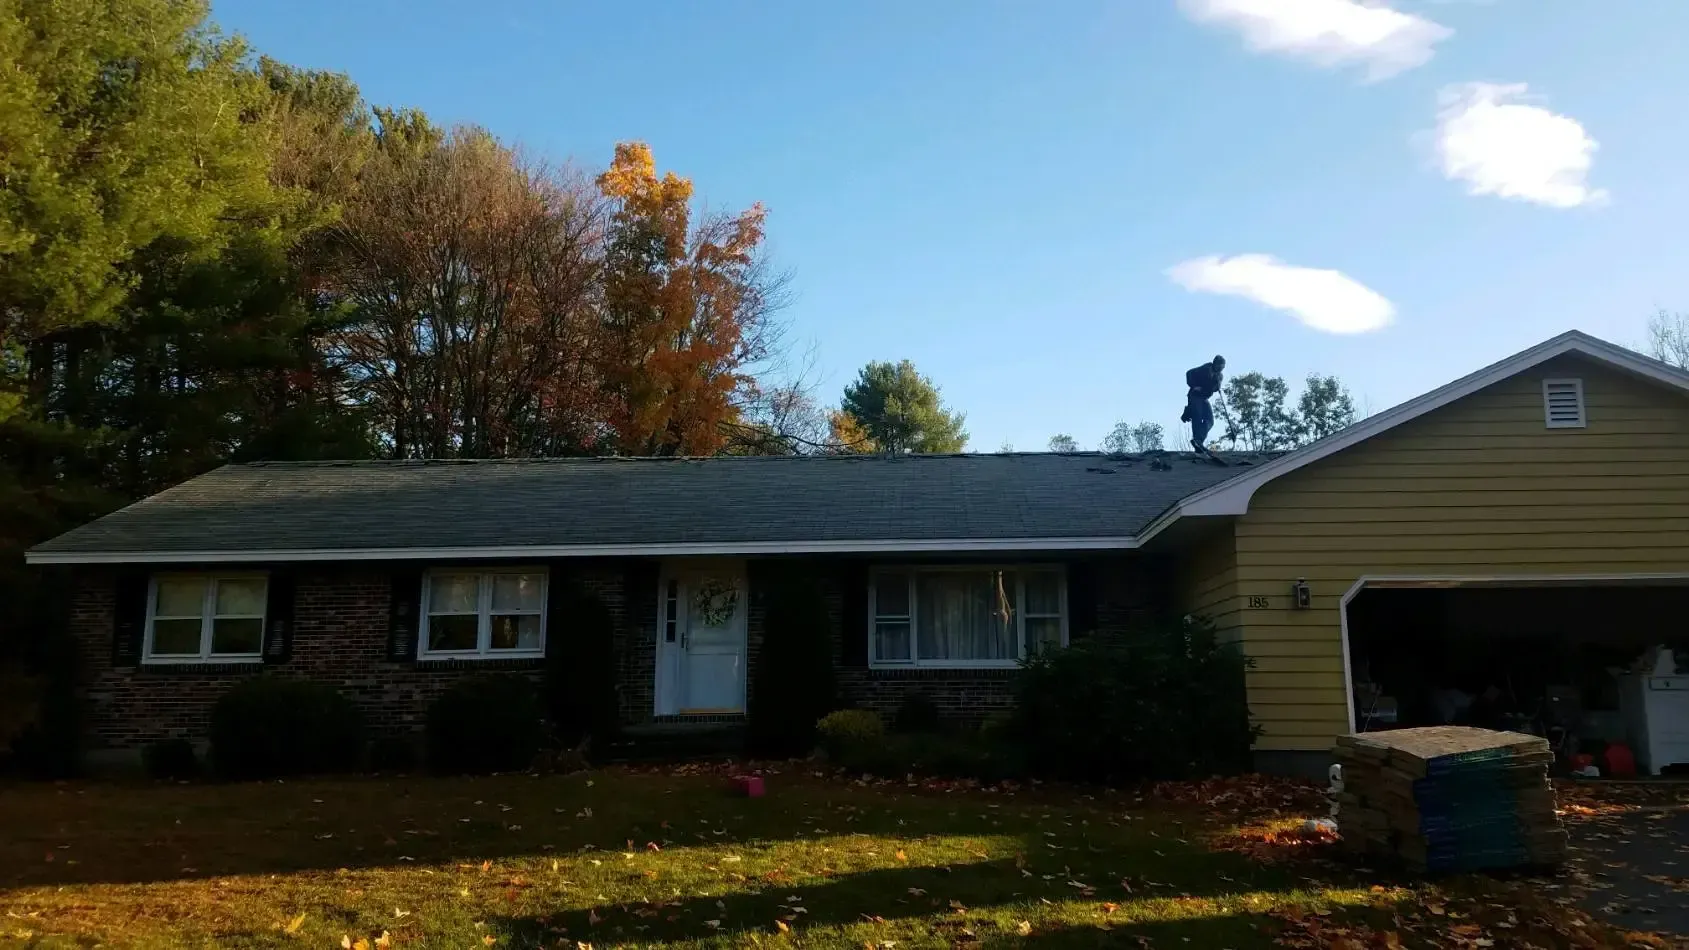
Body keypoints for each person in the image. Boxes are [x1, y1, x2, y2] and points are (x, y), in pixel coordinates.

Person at [1181, 355, 1225, 452]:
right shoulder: (1205, 369)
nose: (1220, 369)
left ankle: (1198, 440)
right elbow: (1189, 373)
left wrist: (1217, 385)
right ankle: (1197, 441)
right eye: (1219, 366)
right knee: (1197, 417)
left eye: (1222, 367)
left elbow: (1213, 388)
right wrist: (1194, 386)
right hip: (1195, 396)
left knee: (1210, 420)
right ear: (1215, 364)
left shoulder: (1219, 376)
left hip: (1204, 398)